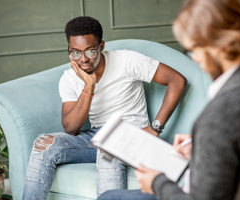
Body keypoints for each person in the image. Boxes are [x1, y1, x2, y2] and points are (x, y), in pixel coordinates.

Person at [98, 0, 240, 199]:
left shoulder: (220, 114)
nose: (194, 58)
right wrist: (203, 146)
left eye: (192, 49)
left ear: (215, 46)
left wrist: (156, 182)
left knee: (109, 197)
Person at [22, 16, 187, 200]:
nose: (83, 59)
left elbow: (177, 80)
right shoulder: (69, 78)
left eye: (90, 51)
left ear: (101, 46)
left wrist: (156, 126)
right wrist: (89, 86)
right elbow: (70, 128)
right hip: (97, 136)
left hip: (131, 135)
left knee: (108, 149)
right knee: (43, 145)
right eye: (75, 53)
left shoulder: (127, 60)